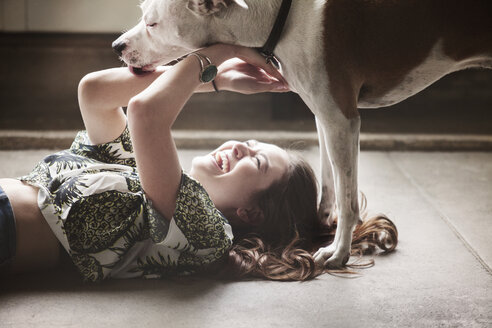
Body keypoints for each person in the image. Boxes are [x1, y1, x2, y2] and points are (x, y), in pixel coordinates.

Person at [0, 44, 397, 282]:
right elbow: (95, 93)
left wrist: (223, 52)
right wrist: (216, 81)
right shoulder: (138, 173)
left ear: (252, 212)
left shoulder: (207, 234)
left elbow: (145, 113)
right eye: (250, 142)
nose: (240, 147)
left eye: (256, 163)